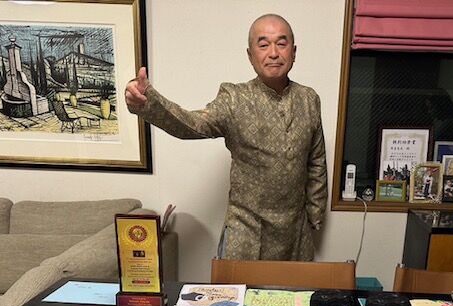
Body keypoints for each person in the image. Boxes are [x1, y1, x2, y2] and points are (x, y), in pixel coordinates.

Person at [124, 14, 327, 261]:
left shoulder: (309, 99)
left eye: (281, 44)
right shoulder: (234, 98)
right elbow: (193, 124)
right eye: (263, 45)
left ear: (293, 52)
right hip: (247, 230)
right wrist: (148, 103)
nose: (273, 53)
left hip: (296, 231)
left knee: (293, 287)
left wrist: (315, 212)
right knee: (235, 287)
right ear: (250, 55)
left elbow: (316, 160)